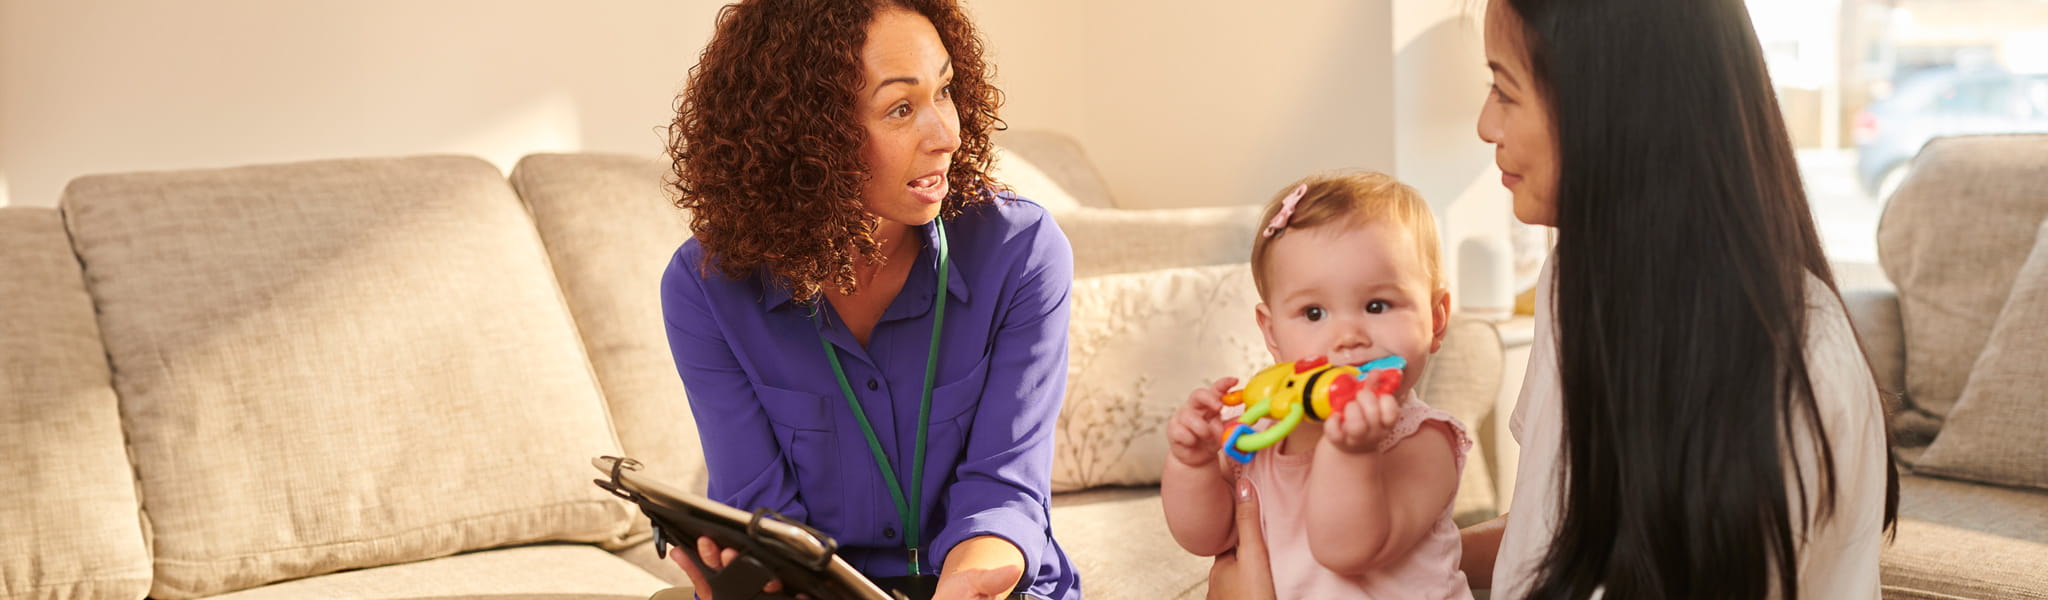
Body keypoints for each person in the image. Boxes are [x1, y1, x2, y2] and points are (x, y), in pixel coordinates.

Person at [1456, 0, 1902, 597]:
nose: (1487, 124)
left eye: (1504, 91)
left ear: (1614, 105)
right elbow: (1550, 537)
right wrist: (1385, 556)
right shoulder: (1573, 279)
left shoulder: (1791, 362)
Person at [657, 1, 1079, 598]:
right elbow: (764, 513)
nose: (947, 135)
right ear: (806, 138)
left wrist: (970, 584)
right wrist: (749, 577)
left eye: (946, 90)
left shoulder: (1021, 252)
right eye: (901, 108)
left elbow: (1005, 489)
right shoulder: (705, 287)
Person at [1161, 171, 1473, 599]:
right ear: (1271, 334)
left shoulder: (1422, 440)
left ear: (1436, 318)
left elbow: (1346, 549)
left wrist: (1350, 452)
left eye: (1377, 305)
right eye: (1313, 313)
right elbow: (1204, 537)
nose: (1348, 336)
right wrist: (1192, 464)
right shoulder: (1256, 432)